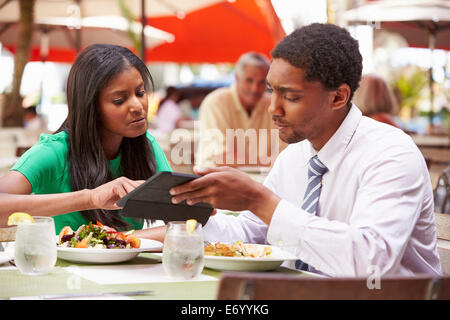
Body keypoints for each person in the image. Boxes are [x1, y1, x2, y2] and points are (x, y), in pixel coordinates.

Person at [144, 23, 441, 277]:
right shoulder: (296, 158)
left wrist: (257, 199)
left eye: (291, 97)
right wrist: (164, 224)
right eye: (272, 91)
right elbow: (248, 233)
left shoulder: (390, 154)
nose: (273, 108)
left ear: (338, 97)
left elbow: (369, 262)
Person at [0, 44, 171, 233]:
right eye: (119, 100)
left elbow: (186, 223)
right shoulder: (54, 152)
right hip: (58, 262)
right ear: (91, 107)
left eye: (140, 93)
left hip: (137, 263)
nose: (138, 106)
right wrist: (89, 198)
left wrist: (122, 240)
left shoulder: (146, 146)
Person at [196, 52, 287, 168]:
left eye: (261, 82)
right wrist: (267, 162)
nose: (255, 88)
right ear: (237, 78)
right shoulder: (216, 102)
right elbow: (220, 157)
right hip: (217, 181)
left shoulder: (274, 105)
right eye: (249, 80)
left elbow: (286, 154)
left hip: (260, 182)